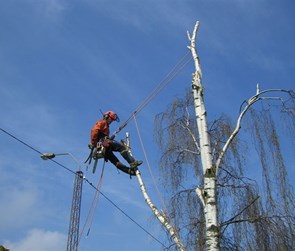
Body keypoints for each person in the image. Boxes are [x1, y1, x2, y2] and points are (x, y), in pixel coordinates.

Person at [90, 111, 142, 176]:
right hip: (104, 145)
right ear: (106, 117)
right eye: (111, 119)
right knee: (120, 147)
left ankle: (129, 171)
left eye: (112, 120)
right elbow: (94, 130)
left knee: (115, 161)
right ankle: (132, 162)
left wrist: (107, 139)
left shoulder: (106, 127)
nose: (111, 121)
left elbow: (103, 137)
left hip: (104, 147)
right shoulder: (102, 122)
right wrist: (94, 143)